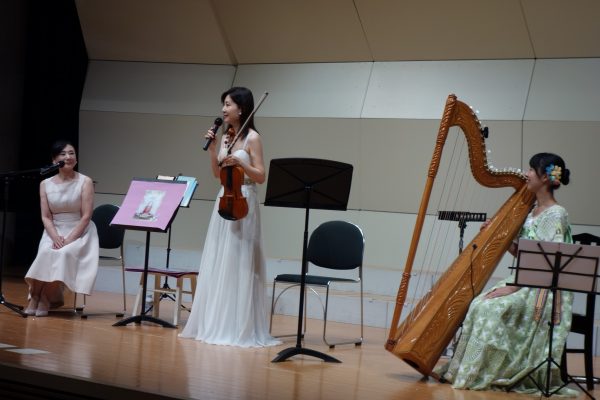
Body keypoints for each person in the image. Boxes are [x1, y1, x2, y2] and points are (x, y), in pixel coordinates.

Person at [435, 152, 577, 395]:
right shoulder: (531, 211)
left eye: (531, 170)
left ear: (544, 177)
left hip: (542, 288)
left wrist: (514, 287)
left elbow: (546, 263)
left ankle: (489, 371)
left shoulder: (556, 214)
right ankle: (471, 370)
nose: (526, 174)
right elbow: (523, 255)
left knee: (493, 308)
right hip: (525, 278)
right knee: (479, 303)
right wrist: (496, 234)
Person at [179, 87, 281, 347]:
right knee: (221, 257)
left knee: (241, 259)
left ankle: (240, 326)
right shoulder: (225, 137)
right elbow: (217, 174)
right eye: (223, 104)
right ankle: (217, 321)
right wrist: (215, 150)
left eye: (228, 104)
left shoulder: (253, 138)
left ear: (242, 108)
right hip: (224, 197)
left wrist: (240, 162)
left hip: (245, 198)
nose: (223, 109)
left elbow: (260, 175)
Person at [24, 140, 99, 317]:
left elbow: (86, 216)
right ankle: (35, 296)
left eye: (71, 153)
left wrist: (68, 240)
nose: (68, 157)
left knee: (62, 253)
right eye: (63, 154)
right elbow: (46, 216)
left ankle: (44, 297)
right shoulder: (45, 184)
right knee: (45, 253)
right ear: (54, 160)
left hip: (80, 230)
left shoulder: (85, 181)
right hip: (54, 229)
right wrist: (56, 237)